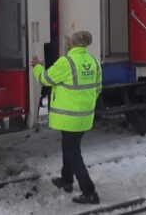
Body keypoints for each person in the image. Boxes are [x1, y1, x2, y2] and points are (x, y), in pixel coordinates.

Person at [30, 31, 103, 204]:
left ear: (71, 45)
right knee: (69, 146)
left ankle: (90, 192)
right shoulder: (94, 62)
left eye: (68, 42)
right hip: (84, 117)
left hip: (69, 117)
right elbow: (98, 88)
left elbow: (45, 78)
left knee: (73, 152)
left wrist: (37, 66)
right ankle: (66, 180)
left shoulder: (66, 62)